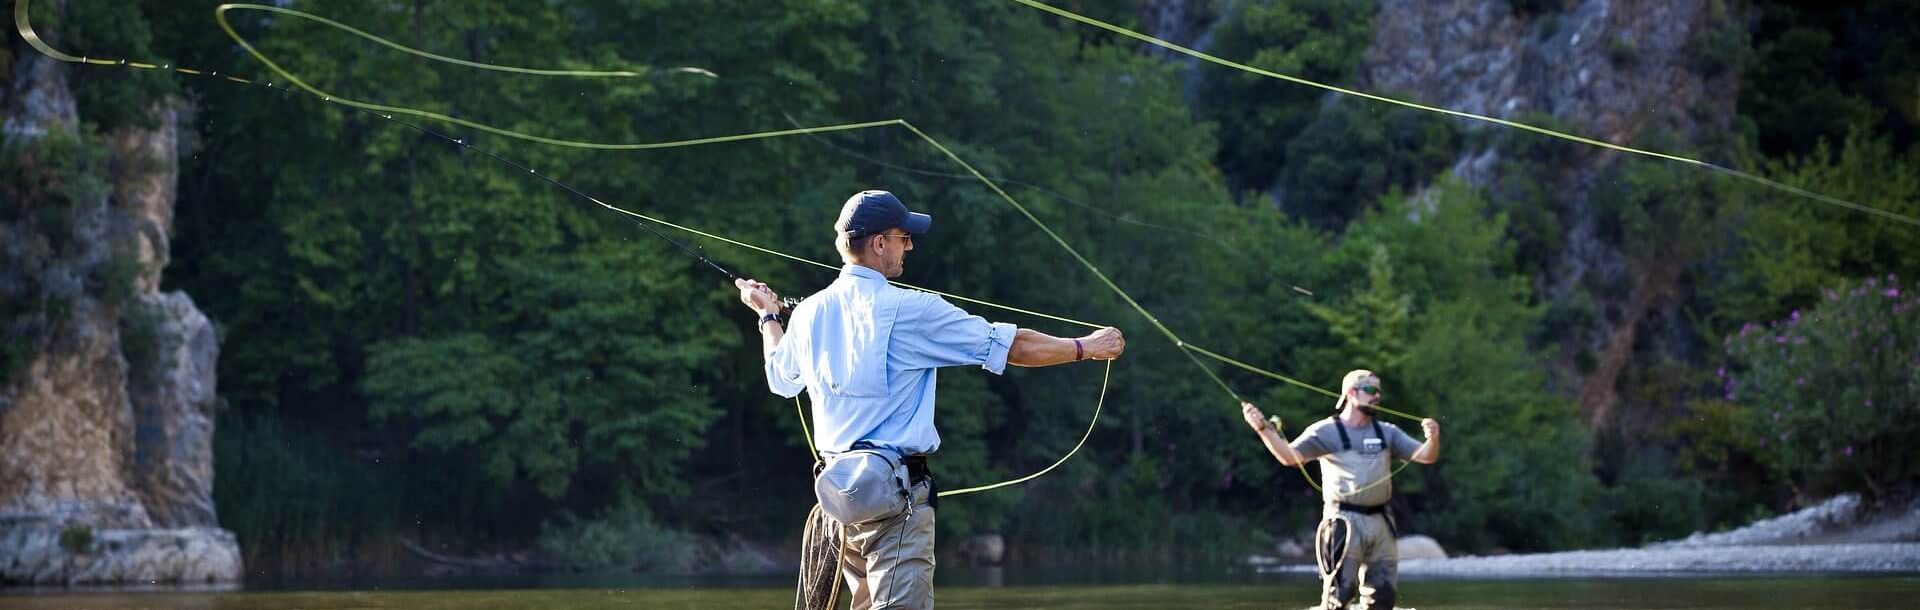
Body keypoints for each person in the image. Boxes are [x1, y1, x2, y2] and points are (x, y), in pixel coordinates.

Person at [736, 189, 1125, 610]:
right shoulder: (911, 309)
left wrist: (768, 317)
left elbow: (780, 378)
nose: (910, 246)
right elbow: (1011, 347)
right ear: (879, 243)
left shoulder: (810, 310)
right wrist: (1087, 346)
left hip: (841, 504)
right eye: (904, 237)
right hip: (896, 501)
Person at [1240, 369, 1439, 610]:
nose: (1377, 395)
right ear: (1350, 393)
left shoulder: (1387, 432)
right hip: (1343, 521)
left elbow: (1427, 456)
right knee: (1339, 596)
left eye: (1379, 391)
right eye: (1370, 390)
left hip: (1381, 522)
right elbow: (1289, 457)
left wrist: (1433, 438)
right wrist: (1263, 429)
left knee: (1384, 597)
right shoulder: (1325, 431)